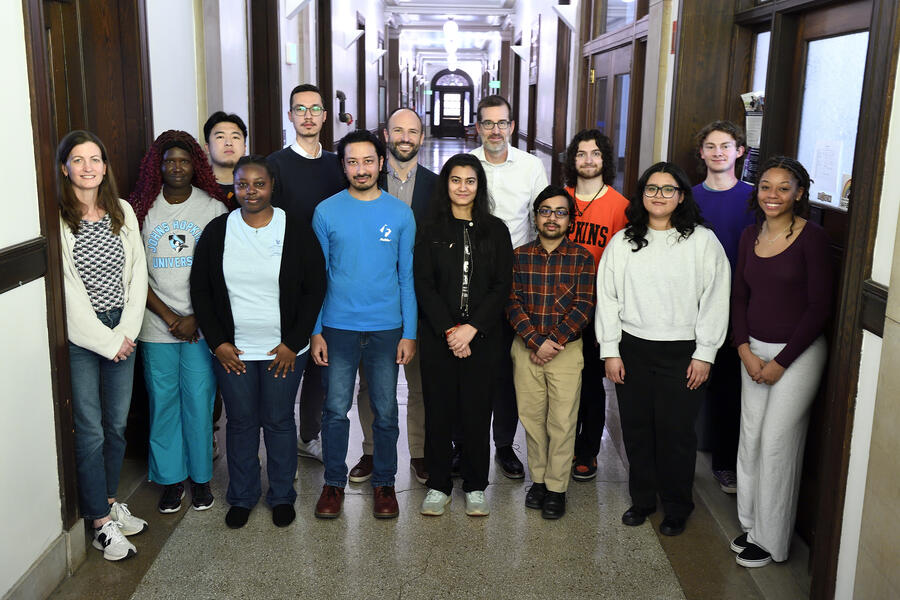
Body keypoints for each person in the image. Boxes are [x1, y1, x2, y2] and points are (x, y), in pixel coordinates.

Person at [190, 155, 326, 529]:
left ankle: (282, 495)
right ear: (234, 187)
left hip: (283, 350)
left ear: (272, 186)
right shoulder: (218, 231)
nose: (251, 191)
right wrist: (217, 342)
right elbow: (200, 290)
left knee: (279, 421)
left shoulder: (294, 230)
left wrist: (292, 341)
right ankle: (243, 496)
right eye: (243, 184)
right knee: (241, 423)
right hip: (232, 350)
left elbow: (315, 287)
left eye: (259, 184)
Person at [596, 162, 730, 536]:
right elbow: (607, 298)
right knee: (637, 430)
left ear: (681, 196)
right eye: (651, 189)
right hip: (632, 348)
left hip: (683, 353)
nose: (659, 196)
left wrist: (705, 353)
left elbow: (716, 299)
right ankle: (642, 500)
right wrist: (610, 350)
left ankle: (676, 505)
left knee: (675, 433)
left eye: (668, 189)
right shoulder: (623, 242)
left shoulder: (702, 241)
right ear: (641, 196)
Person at [730, 157, 832, 568]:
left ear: (799, 194)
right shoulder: (749, 235)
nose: (773, 195)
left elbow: (819, 307)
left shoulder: (814, 238)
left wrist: (782, 361)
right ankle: (752, 525)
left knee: (776, 444)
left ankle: (773, 542)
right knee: (750, 438)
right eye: (766, 186)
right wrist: (743, 349)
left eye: (783, 188)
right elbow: (739, 297)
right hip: (752, 350)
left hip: (798, 354)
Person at [310, 129, 416, 520]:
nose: (361, 169)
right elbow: (317, 277)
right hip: (338, 327)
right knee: (336, 410)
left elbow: (407, 276)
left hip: (387, 328)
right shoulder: (326, 212)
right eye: (352, 161)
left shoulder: (400, 214)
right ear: (343, 166)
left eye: (368, 161)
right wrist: (316, 329)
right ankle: (333, 483)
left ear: (382, 163)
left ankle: (384, 482)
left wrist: (410, 332)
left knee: (385, 410)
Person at [57, 130, 149, 561]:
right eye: (79, 160)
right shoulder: (57, 219)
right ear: (65, 168)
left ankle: (110, 503)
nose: (89, 167)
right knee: (91, 430)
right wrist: (106, 341)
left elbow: (137, 277)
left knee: (116, 425)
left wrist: (125, 333)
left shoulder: (123, 211)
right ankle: (98, 522)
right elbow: (68, 293)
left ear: (105, 167)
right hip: (84, 338)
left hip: (123, 331)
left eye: (96, 159)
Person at [128, 130, 230, 514]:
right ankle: (171, 481)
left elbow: (221, 272)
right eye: (169, 160)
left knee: (200, 404)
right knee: (164, 404)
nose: (176, 167)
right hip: (157, 327)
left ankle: (201, 479)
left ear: (195, 165)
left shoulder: (212, 209)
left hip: (201, 329)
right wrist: (170, 316)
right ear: (158, 165)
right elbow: (135, 273)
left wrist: (196, 318)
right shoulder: (142, 209)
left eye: (184, 161)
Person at [415, 153, 513, 517]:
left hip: (483, 338)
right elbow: (423, 284)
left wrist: (471, 329)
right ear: (446, 184)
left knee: (476, 412)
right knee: (438, 411)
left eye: (470, 181)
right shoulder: (429, 228)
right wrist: (449, 330)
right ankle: (438, 485)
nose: (462, 187)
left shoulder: (496, 230)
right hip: (439, 337)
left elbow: (502, 285)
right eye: (455, 180)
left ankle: (475, 485)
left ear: (479, 186)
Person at [349, 107, 437, 486]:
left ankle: (419, 452)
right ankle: (371, 451)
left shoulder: (438, 185)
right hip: (376, 299)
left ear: (422, 137)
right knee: (371, 382)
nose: (405, 137)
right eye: (398, 130)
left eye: (412, 131)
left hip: (423, 299)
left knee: (420, 384)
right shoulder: (365, 178)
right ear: (386, 134)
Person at [471, 94, 549, 479]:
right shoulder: (468, 166)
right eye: (488, 123)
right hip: (473, 281)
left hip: (517, 281)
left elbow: (542, 222)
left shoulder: (532, 167)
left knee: (507, 368)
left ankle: (504, 445)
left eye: (502, 123)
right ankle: (464, 444)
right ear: (478, 126)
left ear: (512, 126)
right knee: (470, 366)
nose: (496, 130)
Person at [507, 185, 595, 519]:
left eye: (560, 212)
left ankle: (557, 488)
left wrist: (552, 342)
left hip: (566, 352)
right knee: (531, 419)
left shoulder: (582, 258)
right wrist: (534, 341)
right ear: (536, 216)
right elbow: (512, 302)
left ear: (570, 220)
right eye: (546, 211)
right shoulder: (520, 256)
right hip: (525, 348)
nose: (552, 218)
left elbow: (583, 306)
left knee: (562, 420)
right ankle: (539, 481)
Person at [268, 83, 345, 464]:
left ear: (325, 116)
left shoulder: (337, 164)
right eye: (301, 109)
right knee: (290, 360)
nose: (309, 116)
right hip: (290, 279)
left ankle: (308, 434)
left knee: (322, 360)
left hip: (333, 278)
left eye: (316, 109)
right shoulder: (275, 166)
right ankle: (282, 445)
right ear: (290, 116)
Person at [692, 120, 756, 495]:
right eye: (711, 146)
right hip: (694, 303)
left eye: (726, 146)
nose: (718, 152)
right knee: (692, 378)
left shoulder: (753, 198)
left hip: (738, 303)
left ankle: (724, 463)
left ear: (740, 151)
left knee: (729, 387)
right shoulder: (689, 197)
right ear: (701, 153)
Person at [563, 129, 629, 482]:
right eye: (581, 154)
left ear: (605, 160)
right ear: (572, 160)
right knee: (560, 380)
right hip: (558, 305)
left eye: (595, 154)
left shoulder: (620, 207)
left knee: (590, 381)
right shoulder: (561, 199)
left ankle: (587, 450)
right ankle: (562, 442)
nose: (588, 160)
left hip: (596, 308)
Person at [203, 111, 247, 204]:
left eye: (235, 137)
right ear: (207, 147)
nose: (228, 143)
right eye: (220, 137)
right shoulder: (197, 186)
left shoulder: (256, 187)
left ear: (244, 148)